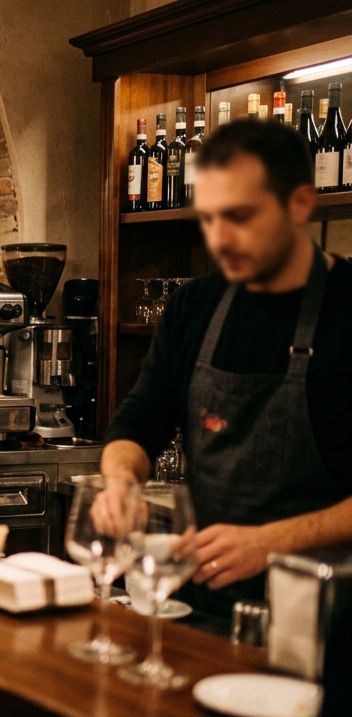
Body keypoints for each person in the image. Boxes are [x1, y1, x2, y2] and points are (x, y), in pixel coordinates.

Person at [100, 120, 352, 618]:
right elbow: (139, 421)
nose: (221, 240)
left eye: (239, 217)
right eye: (210, 220)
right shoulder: (195, 305)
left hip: (327, 617)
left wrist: (271, 543)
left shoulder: (347, 308)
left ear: (299, 204)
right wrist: (120, 482)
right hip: (202, 604)